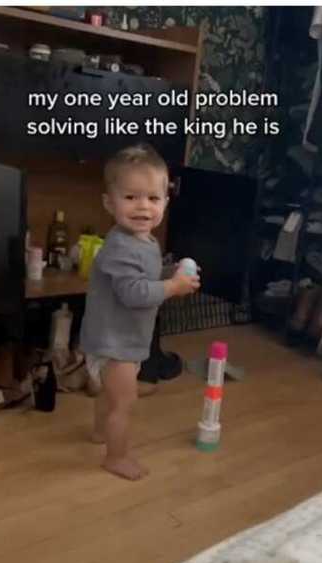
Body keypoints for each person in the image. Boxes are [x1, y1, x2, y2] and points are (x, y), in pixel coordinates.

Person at [79, 143, 200, 480]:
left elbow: (145, 278)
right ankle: (115, 457)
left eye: (152, 198)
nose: (143, 207)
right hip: (114, 340)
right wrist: (172, 288)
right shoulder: (119, 247)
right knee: (124, 401)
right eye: (130, 198)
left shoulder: (144, 241)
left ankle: (100, 432)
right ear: (109, 202)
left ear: (165, 201)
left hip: (120, 336)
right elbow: (133, 293)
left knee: (111, 393)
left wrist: (170, 273)